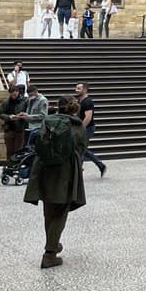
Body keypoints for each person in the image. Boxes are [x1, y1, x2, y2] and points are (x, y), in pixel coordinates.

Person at [23, 95, 87, 268]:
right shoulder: (76, 124)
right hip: (64, 171)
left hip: (44, 168)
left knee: (49, 210)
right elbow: (82, 146)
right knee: (61, 210)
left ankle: (53, 243)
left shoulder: (47, 121)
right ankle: (50, 253)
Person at [75, 82, 106, 177]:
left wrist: (81, 128)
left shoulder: (88, 102)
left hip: (88, 128)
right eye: (76, 88)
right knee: (81, 148)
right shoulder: (80, 101)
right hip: (84, 127)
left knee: (80, 148)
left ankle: (79, 169)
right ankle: (99, 165)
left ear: (85, 89)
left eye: (79, 88)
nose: (76, 90)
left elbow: (88, 117)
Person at [0, 84, 30, 162]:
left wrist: (22, 115)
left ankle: (16, 166)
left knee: (18, 150)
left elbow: (28, 112)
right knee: (9, 149)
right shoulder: (6, 102)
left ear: (18, 92)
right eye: (12, 95)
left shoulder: (24, 101)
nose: (13, 97)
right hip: (9, 128)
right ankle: (9, 166)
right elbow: (0, 113)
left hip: (20, 128)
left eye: (15, 95)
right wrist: (8, 117)